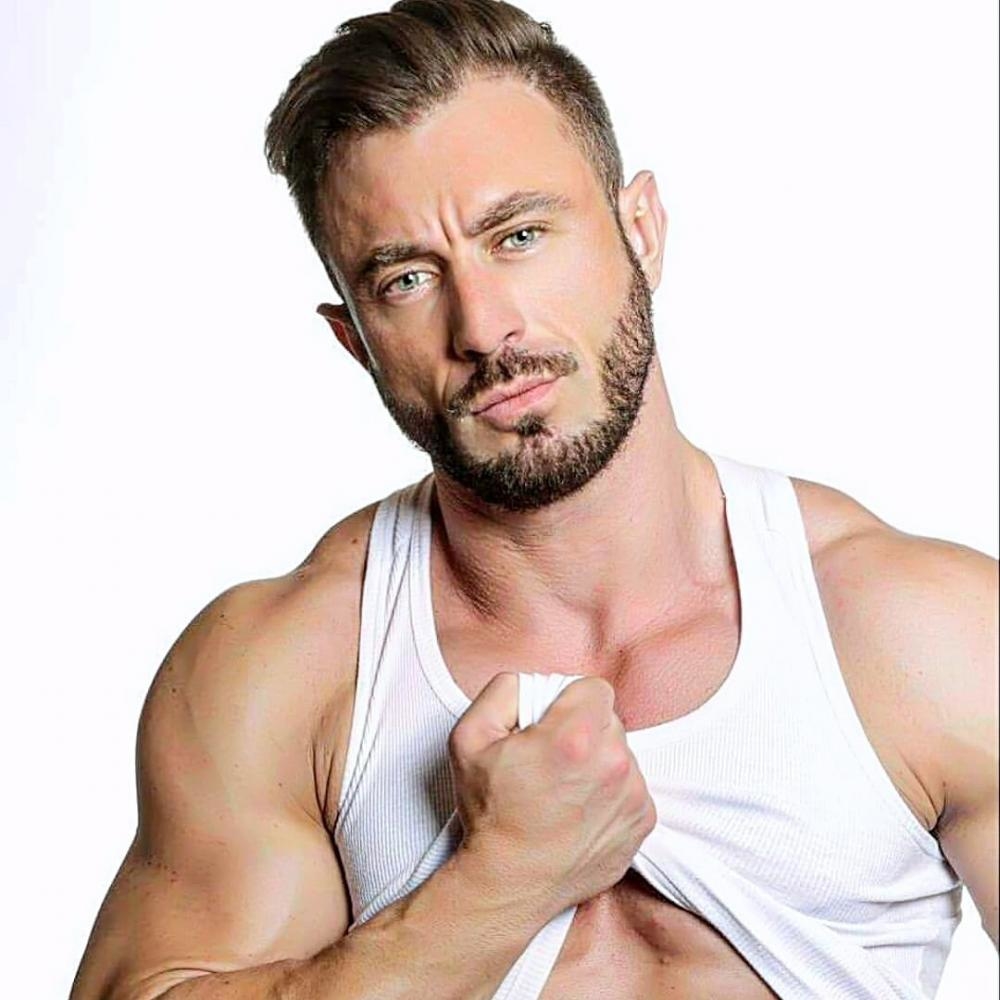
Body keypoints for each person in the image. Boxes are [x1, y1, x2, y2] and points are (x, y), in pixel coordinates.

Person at [69, 1, 998, 997]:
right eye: (407, 279)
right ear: (354, 340)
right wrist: (498, 886)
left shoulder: (922, 633)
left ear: (641, 232)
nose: (483, 326)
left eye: (518, 236)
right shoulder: (287, 669)